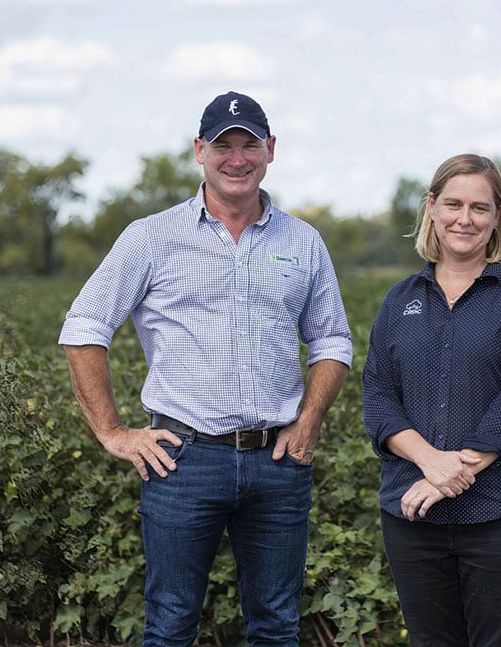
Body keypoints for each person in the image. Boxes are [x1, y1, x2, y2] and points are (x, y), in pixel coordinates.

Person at [59, 91, 352, 647]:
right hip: (182, 461)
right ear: (200, 151)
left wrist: (310, 417)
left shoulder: (303, 241)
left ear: (270, 150)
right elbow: (85, 327)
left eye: (249, 146)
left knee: (276, 626)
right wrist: (112, 432)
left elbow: (332, 338)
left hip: (278, 460)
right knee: (170, 625)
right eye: (223, 146)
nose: (236, 158)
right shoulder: (151, 237)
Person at [362, 154, 501, 646]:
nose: (464, 219)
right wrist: (431, 463)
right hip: (413, 513)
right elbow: (379, 396)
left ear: (497, 217)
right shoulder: (399, 299)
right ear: (432, 207)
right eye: (452, 204)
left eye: (479, 207)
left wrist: (458, 470)